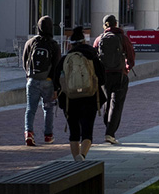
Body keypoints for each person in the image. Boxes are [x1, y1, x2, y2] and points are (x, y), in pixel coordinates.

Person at [54, 26, 106, 161]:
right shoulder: (92, 56)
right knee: (87, 131)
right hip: (90, 98)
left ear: (70, 44)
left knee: (74, 131)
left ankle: (75, 160)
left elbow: (56, 80)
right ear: (84, 42)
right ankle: (82, 156)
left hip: (69, 100)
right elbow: (102, 79)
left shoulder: (65, 59)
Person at [93, 14, 135, 145]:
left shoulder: (99, 39)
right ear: (116, 24)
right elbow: (131, 55)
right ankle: (110, 133)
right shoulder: (122, 38)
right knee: (116, 104)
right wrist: (127, 67)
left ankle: (108, 129)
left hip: (104, 75)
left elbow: (94, 56)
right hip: (119, 74)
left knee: (107, 103)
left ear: (104, 25)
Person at [22, 16, 61, 145]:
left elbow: (24, 61)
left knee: (30, 109)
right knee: (48, 109)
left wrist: (29, 76)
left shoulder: (31, 42)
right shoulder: (54, 45)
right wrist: (56, 87)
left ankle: (29, 133)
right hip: (48, 81)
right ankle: (48, 135)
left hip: (32, 80)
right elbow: (56, 68)